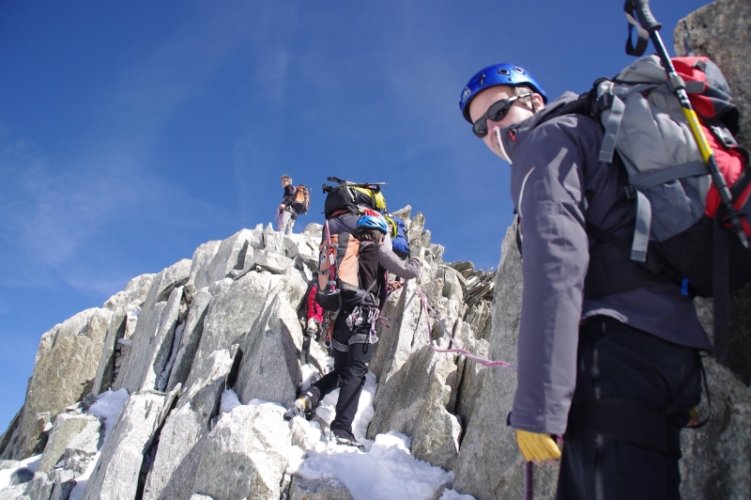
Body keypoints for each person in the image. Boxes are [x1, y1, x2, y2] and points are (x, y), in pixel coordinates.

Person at [458, 63, 709, 499]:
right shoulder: (595, 134)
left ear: (532, 101)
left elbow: (557, 266)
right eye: (480, 126)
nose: (492, 130)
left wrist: (540, 407)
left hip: (614, 358)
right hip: (669, 356)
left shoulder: (544, 142)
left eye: (498, 111)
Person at [286, 213, 421, 447]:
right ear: (379, 234)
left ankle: (311, 396)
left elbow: (365, 279)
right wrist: (417, 261)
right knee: (356, 373)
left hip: (341, 319)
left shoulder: (353, 252)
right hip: (363, 319)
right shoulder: (378, 250)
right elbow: (407, 270)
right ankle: (342, 428)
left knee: (342, 373)